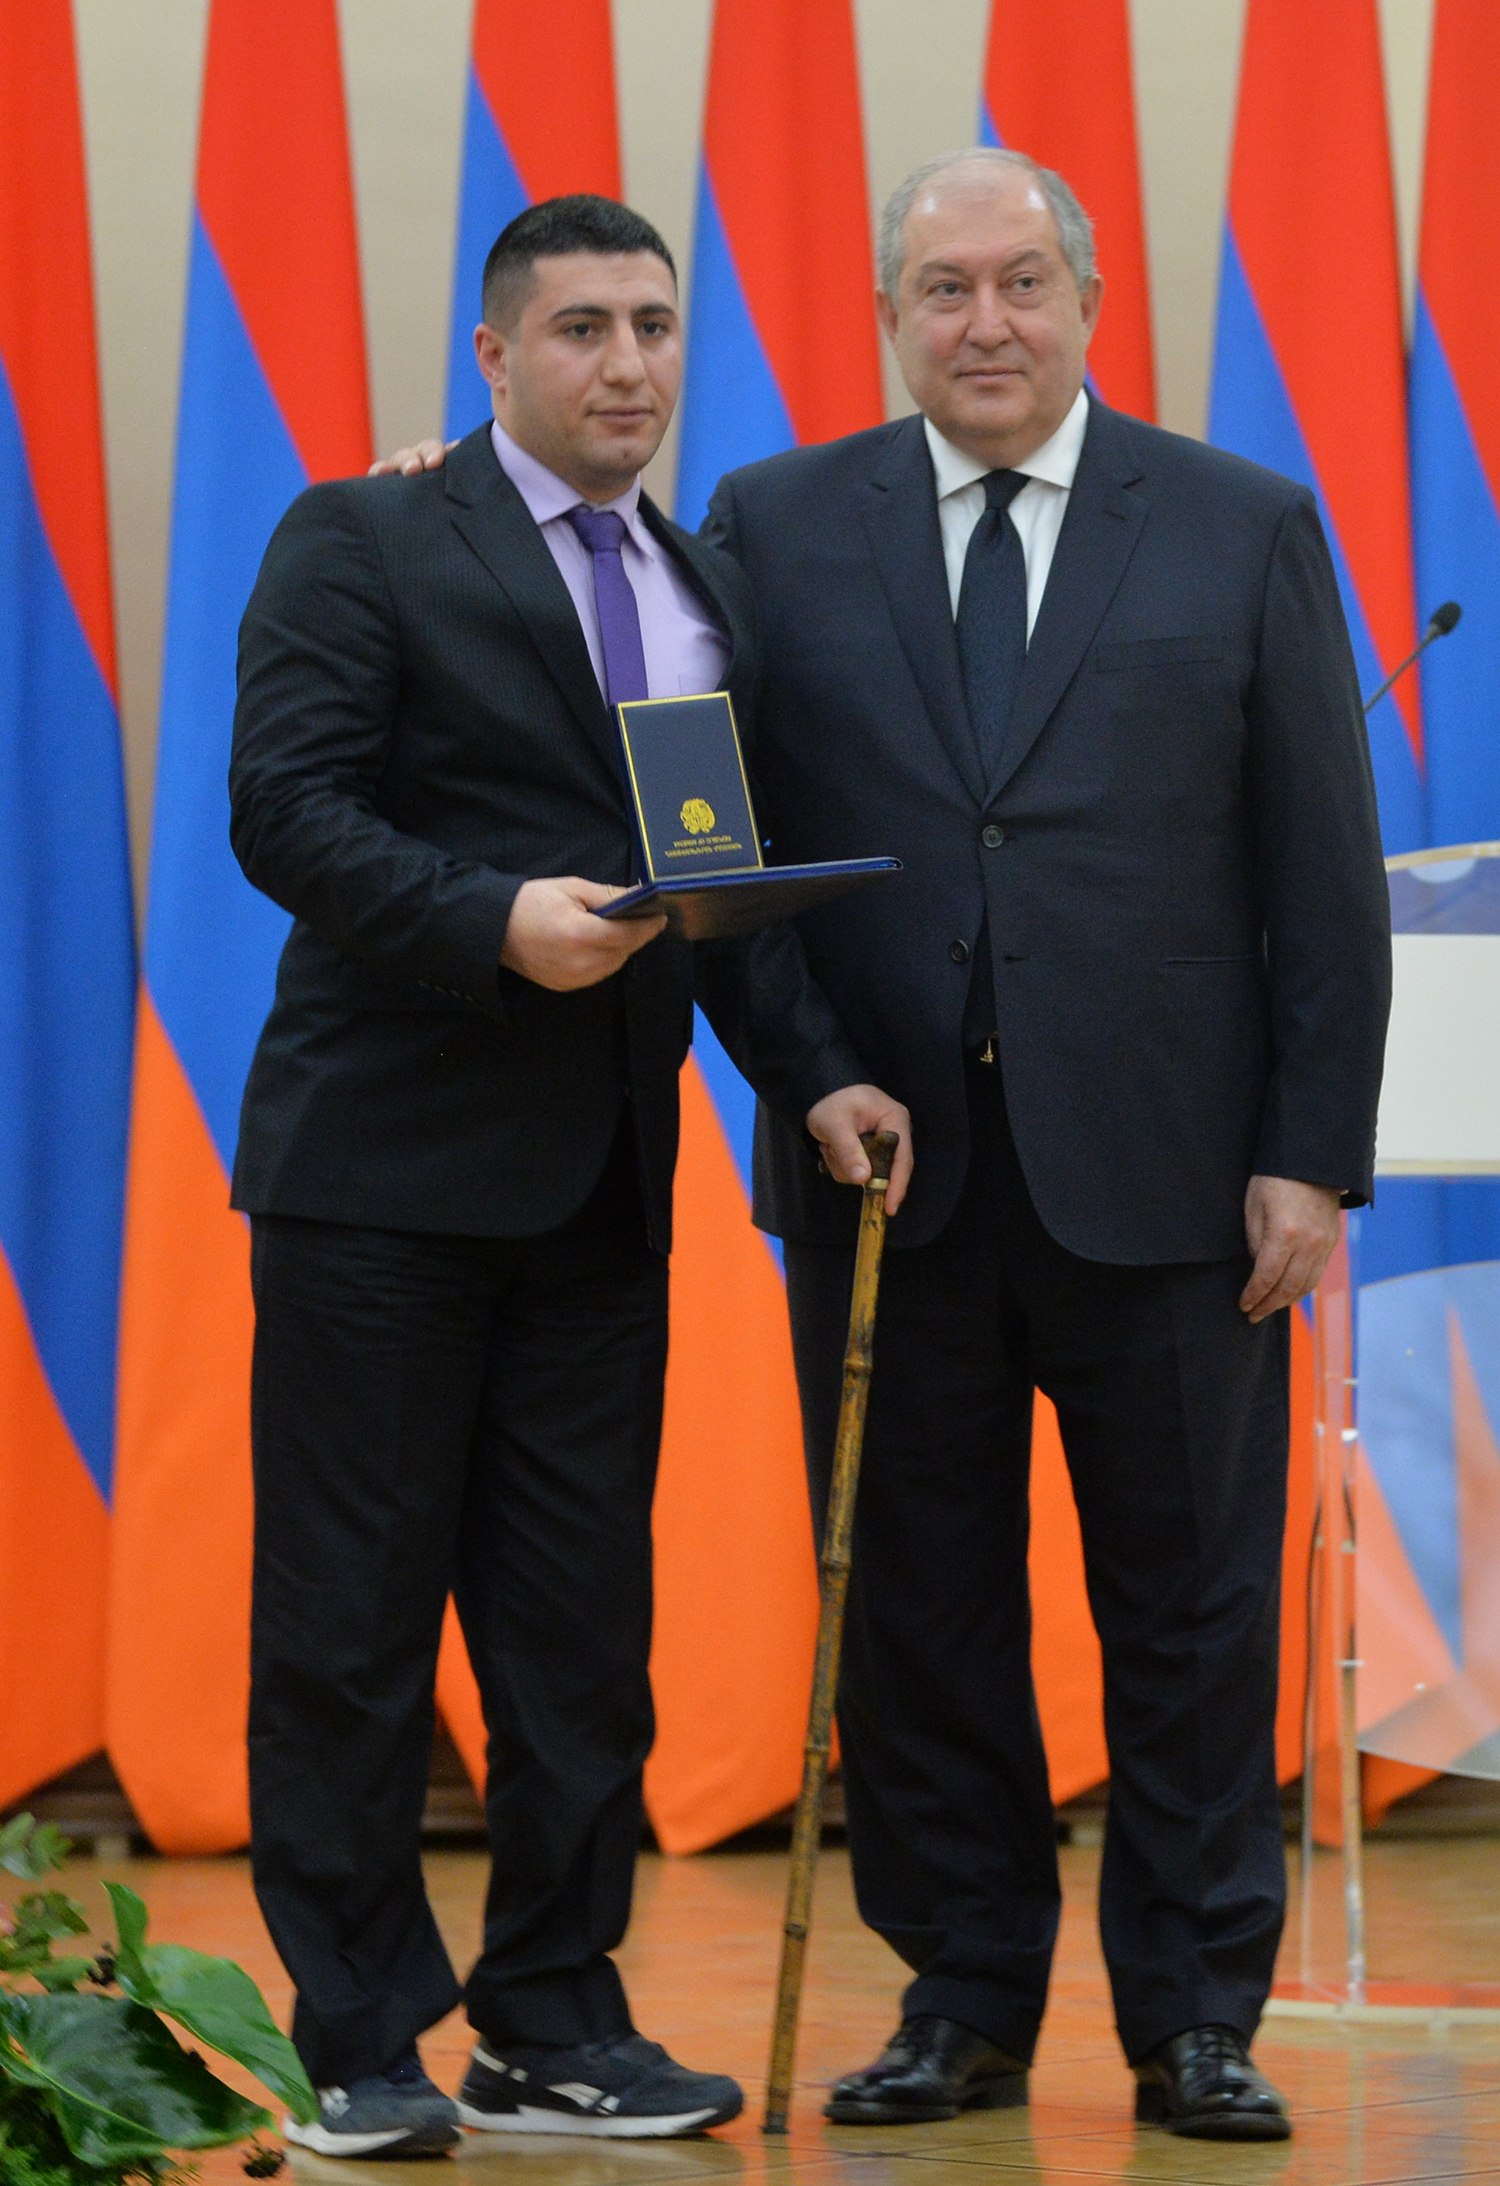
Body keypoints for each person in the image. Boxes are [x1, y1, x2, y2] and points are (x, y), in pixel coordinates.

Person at [378, 150, 1390, 2142]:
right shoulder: (767, 523)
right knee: (920, 1612)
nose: (985, 322)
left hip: (1179, 1181)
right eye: (944, 289)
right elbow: (694, 802)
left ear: (1088, 299)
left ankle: (1198, 2013)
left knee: (1192, 1617)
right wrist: (450, 498)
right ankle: (963, 1993)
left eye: (1022, 283)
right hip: (882, 1168)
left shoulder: (1241, 520)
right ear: (888, 316)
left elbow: (1322, 868)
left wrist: (1310, 1150)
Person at [231, 192, 909, 2160]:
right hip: (377, 1187)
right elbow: (283, 810)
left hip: (604, 1193)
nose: (627, 363)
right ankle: (358, 2031)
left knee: (580, 1644)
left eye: (653, 327)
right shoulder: (364, 531)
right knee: (351, 1631)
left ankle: (549, 2020)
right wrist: (489, 921)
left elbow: (712, 890)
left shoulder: (696, 588)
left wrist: (821, 1079)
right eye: (583, 327)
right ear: (496, 355)